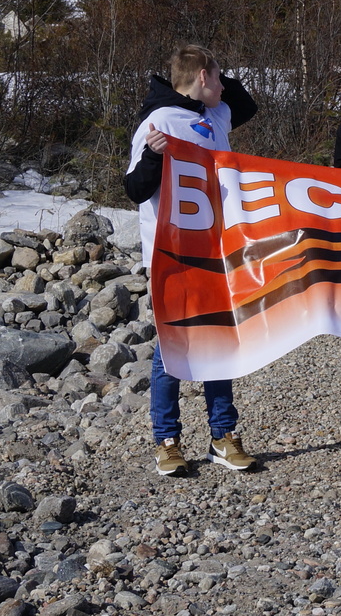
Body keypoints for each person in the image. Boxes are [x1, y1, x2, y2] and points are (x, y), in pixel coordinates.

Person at [125, 44, 259, 476]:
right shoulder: (158, 121)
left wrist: (210, 80)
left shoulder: (214, 116)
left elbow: (247, 104)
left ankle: (223, 435)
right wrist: (152, 155)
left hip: (216, 250)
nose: (224, 85)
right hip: (173, 257)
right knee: (173, 349)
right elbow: (133, 189)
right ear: (203, 77)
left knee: (219, 342)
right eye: (217, 77)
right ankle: (167, 440)